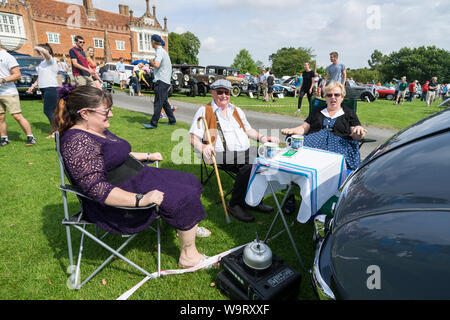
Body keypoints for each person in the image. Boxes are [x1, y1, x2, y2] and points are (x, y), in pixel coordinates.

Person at [53, 85, 212, 269]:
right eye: (106, 111)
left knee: (189, 181)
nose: (111, 115)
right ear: (85, 114)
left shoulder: (95, 129)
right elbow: (97, 189)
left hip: (139, 176)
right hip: (120, 196)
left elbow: (115, 154)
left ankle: (185, 227)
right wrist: (140, 200)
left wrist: (147, 155)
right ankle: (188, 256)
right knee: (183, 196)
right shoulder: (77, 142)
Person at [189, 79, 280, 223]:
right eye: (220, 92)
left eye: (227, 92)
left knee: (266, 155)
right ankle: (235, 204)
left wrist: (263, 138)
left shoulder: (236, 110)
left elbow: (248, 130)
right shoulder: (204, 110)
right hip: (218, 155)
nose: (224, 95)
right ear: (213, 93)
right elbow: (193, 138)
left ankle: (254, 200)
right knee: (253, 162)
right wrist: (203, 147)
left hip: (242, 153)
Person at [281, 81, 367, 171]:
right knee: (296, 152)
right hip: (314, 142)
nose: (333, 97)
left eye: (336, 95)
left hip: (339, 146)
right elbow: (304, 128)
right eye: (329, 95)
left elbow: (355, 132)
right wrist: (292, 130)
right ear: (325, 98)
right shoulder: (317, 111)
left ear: (342, 97)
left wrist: (359, 132)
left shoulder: (348, 113)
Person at [0, 47, 36, 147]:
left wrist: (2, 80)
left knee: (17, 116)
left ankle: (31, 137)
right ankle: (4, 139)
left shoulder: (8, 57)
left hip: (9, 92)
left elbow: (17, 75)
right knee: (0, 117)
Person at [142, 34, 175, 129]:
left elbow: (156, 65)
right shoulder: (162, 51)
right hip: (165, 80)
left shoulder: (159, 51)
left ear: (153, 41)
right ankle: (172, 120)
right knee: (164, 101)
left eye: (151, 41)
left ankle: (153, 123)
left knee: (158, 102)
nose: (150, 43)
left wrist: (150, 61)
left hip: (161, 80)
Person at [27, 44, 59, 139]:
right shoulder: (42, 63)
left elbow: (46, 53)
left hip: (51, 87)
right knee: (52, 111)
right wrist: (33, 86)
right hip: (44, 88)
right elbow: (40, 76)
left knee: (48, 110)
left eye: (39, 52)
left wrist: (36, 47)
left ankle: (56, 130)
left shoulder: (51, 61)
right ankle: (57, 130)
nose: (38, 53)